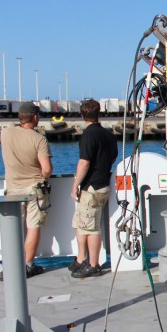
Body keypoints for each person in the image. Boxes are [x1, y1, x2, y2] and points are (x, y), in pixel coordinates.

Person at [0, 101, 53, 278]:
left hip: (13, 187)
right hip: (34, 188)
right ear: (36, 117)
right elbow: (46, 169)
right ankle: (27, 265)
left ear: (19, 117)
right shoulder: (39, 139)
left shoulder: (5, 134)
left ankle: (12, 265)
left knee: (14, 228)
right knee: (33, 226)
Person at [69, 99, 118, 278]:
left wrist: (75, 186)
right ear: (99, 113)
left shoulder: (88, 135)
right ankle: (82, 258)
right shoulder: (108, 135)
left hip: (91, 187)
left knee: (91, 228)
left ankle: (94, 264)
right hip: (103, 183)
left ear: (82, 115)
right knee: (80, 223)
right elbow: (113, 158)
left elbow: (84, 162)